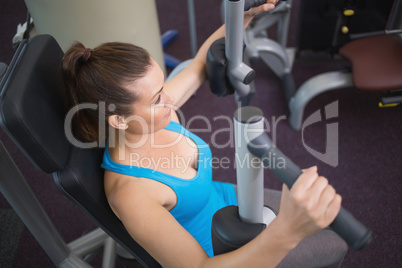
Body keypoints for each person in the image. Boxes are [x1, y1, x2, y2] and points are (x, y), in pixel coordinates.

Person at [61, 1, 347, 267]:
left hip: (226, 200)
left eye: (163, 87)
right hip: (219, 254)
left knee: (331, 225)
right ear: (119, 121)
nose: (170, 99)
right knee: (337, 246)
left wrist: (243, 18)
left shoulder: (151, 118)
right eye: (158, 97)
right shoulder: (131, 194)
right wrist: (287, 232)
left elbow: (199, 63)